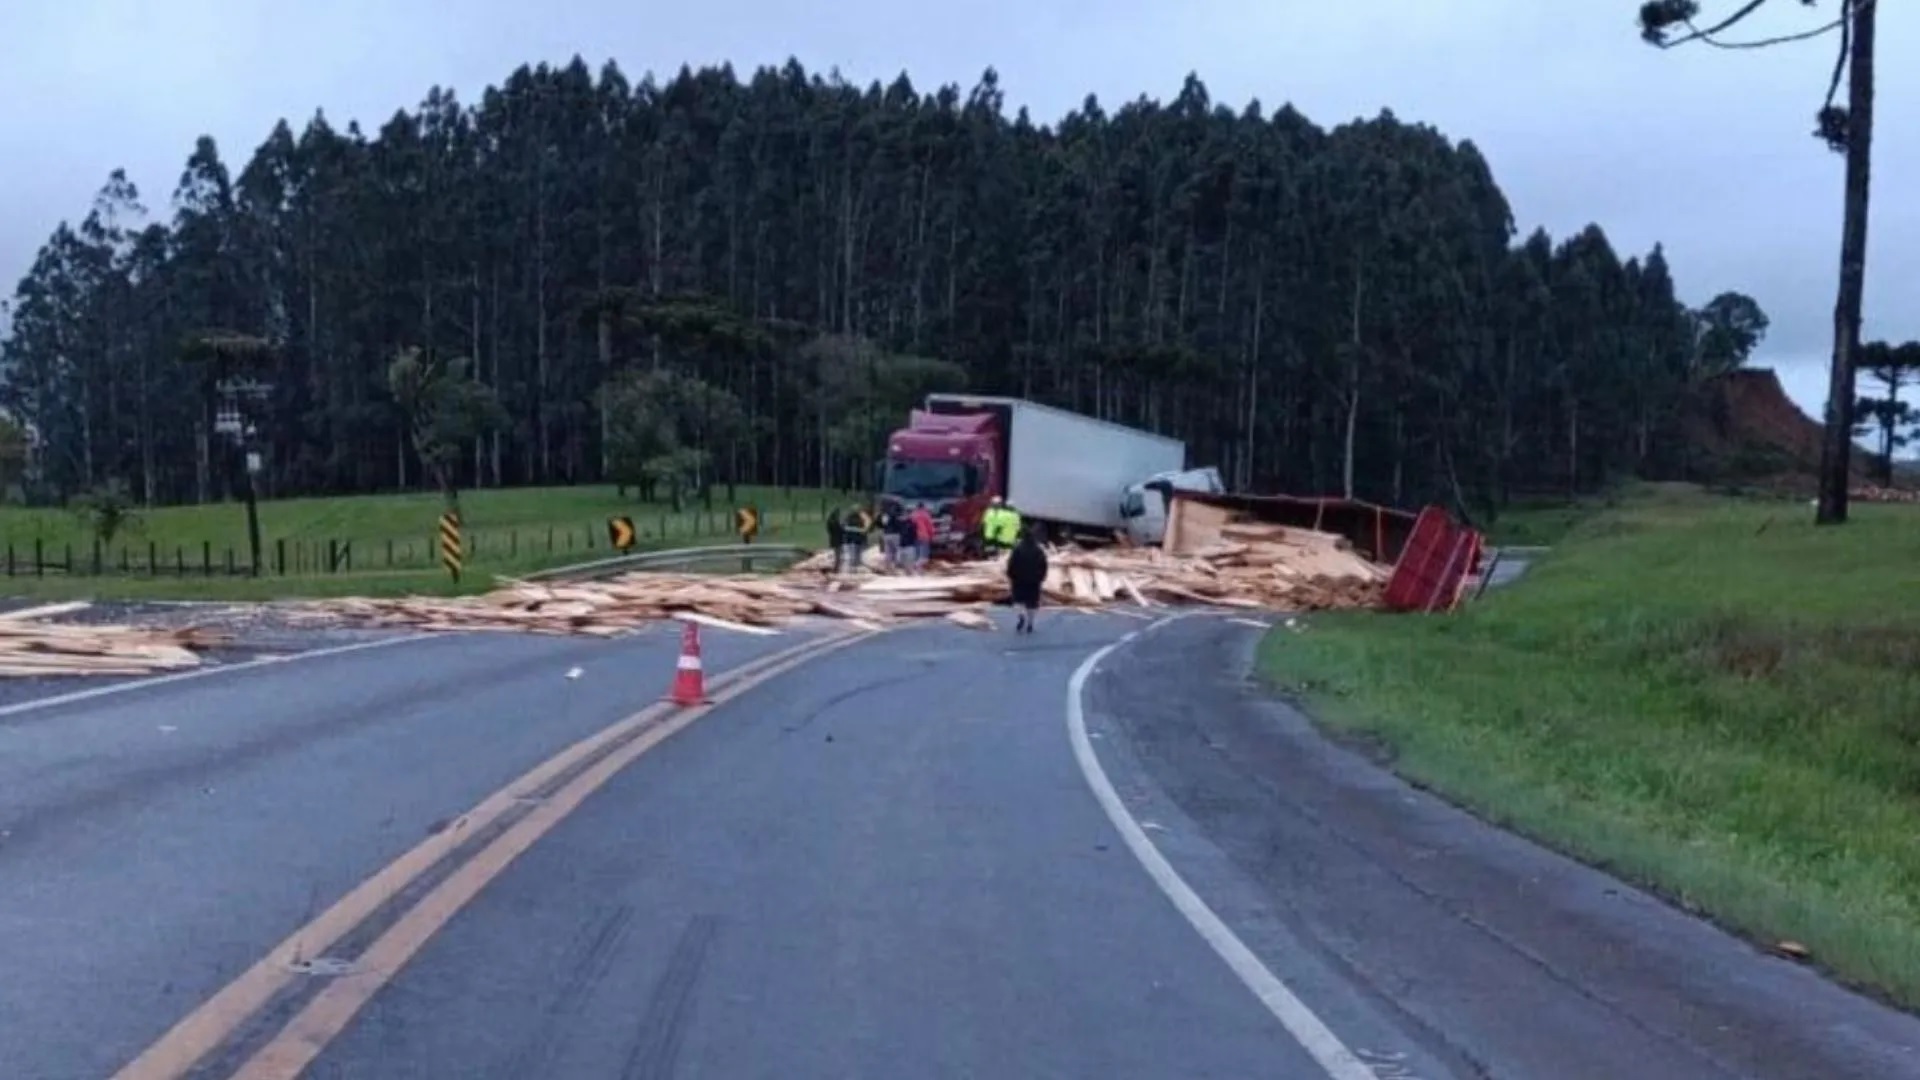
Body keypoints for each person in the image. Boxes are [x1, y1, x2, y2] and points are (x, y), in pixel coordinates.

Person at [1005, 524, 1049, 634]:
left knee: (1018, 601)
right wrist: (1041, 577)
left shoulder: (1017, 549)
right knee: (1032, 603)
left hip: (1019, 580)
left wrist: (1011, 575)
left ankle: (1021, 616)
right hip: (1034, 581)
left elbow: (1011, 564)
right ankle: (1030, 623)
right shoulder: (1039, 551)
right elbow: (1044, 565)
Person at [909, 503, 935, 568]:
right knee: (924, 553)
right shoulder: (926, 515)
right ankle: (919, 566)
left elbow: (909, 526)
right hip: (924, 535)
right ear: (923, 507)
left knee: (916, 552)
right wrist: (932, 535)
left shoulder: (912, 515)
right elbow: (930, 526)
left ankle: (915, 565)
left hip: (915, 536)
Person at [825, 508, 844, 572]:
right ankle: (836, 568)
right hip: (837, 540)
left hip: (833, 539)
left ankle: (836, 567)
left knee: (837, 554)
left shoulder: (829, 521)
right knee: (838, 555)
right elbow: (840, 530)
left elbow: (829, 530)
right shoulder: (835, 522)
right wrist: (842, 526)